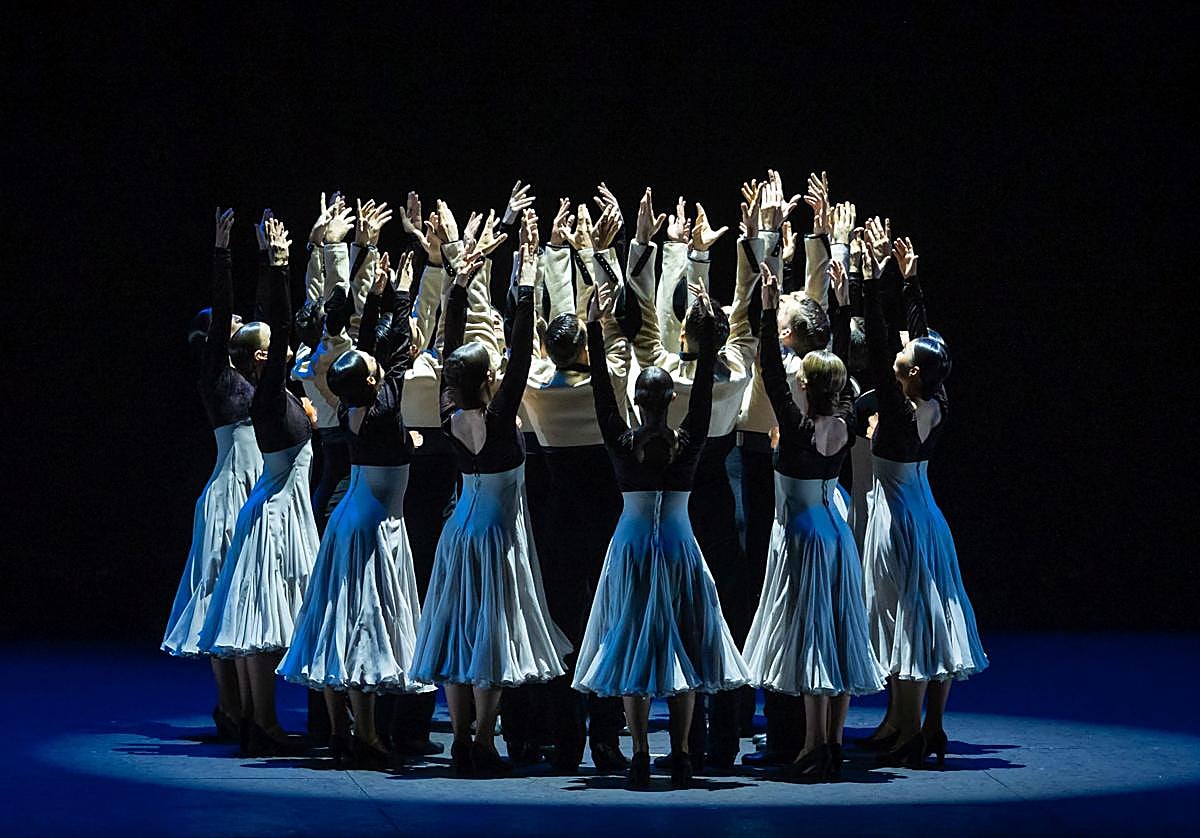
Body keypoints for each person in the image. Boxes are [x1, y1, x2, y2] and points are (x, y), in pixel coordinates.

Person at [573, 191, 749, 790]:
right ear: (670, 399)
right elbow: (698, 385)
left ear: (637, 400)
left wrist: (598, 333)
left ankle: (643, 754)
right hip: (678, 545)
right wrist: (702, 339)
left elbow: (604, 386)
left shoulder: (622, 442)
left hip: (629, 547)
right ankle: (681, 751)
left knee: (634, 649)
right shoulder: (689, 441)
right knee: (681, 651)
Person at [410, 209, 570, 777]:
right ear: (490, 380)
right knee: (490, 638)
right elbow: (524, 349)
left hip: (460, 530)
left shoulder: (447, 408)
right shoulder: (500, 418)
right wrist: (524, 272)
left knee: (458, 632)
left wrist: (457, 285)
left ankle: (458, 735)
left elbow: (452, 348)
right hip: (499, 539)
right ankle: (481, 735)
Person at [277, 251, 436, 767]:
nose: (372, 361)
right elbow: (386, 353)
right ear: (373, 382)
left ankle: (345, 729)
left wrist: (382, 298)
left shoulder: (351, 404)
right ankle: (366, 735)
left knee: (342, 626)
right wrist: (403, 296)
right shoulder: (385, 405)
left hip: (355, 518)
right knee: (366, 628)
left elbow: (370, 349)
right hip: (374, 529)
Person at [624, 188, 757, 772]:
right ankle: (720, 738)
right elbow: (744, 326)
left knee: (667, 619)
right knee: (719, 620)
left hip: (672, 512)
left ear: (682, 340)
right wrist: (744, 249)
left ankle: (661, 741)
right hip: (720, 503)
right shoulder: (735, 373)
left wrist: (657, 248)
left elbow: (644, 329)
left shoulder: (663, 382)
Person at [742, 260, 887, 782]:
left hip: (801, 537)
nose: (794, 374)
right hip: (836, 532)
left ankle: (810, 744)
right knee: (839, 635)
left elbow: (770, 365)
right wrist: (844, 302)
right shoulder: (844, 417)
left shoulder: (795, 424)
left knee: (811, 641)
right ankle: (831, 743)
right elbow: (840, 365)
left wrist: (765, 308)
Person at [857, 221, 988, 767]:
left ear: (907, 373)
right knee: (931, 617)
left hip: (897, 519)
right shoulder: (937, 396)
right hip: (927, 513)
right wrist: (910, 285)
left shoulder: (896, 408)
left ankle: (910, 729)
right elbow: (922, 343)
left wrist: (871, 282)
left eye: (902, 358)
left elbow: (892, 341)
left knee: (905, 620)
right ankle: (927, 725)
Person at [198, 215, 321, 756]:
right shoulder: (227, 379)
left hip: (266, 494)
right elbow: (248, 322)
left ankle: (253, 715)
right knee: (235, 611)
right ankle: (244, 711)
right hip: (243, 497)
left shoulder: (273, 391)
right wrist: (236, 256)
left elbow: (265, 326)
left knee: (251, 612)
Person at [519, 187, 630, 774]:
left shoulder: (536, 386)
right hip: (606, 520)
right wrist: (595, 255)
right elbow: (618, 334)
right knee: (606, 624)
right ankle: (607, 738)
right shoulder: (610, 383)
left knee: (563, 627)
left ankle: (564, 740)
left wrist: (545, 258)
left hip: (557, 522)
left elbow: (535, 346)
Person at [162, 209, 265, 741]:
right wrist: (223, 254)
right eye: (225, 324)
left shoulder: (246, 376)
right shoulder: (215, 376)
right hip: (229, 492)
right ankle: (231, 706)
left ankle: (246, 707)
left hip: (252, 485)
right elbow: (226, 312)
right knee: (219, 600)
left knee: (240, 601)